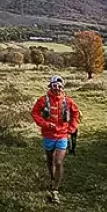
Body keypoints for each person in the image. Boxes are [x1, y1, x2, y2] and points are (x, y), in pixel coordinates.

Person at [31, 76, 81, 204]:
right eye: (54, 86)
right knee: (49, 159)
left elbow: (76, 114)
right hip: (48, 135)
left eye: (59, 86)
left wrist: (71, 128)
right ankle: (53, 177)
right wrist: (45, 124)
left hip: (62, 135)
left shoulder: (68, 101)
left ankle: (55, 189)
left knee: (58, 162)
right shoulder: (43, 100)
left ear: (63, 87)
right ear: (50, 86)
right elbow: (35, 113)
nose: (57, 88)